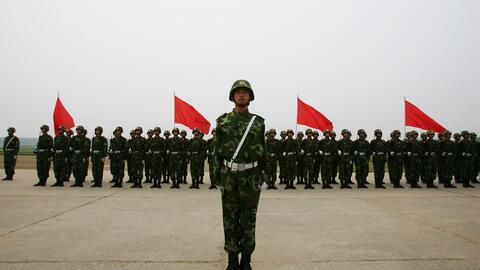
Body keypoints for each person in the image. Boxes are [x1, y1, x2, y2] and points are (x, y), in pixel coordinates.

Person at [214, 79, 266, 270]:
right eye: (238, 92)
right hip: (229, 176)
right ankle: (232, 259)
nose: (241, 94)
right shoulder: (222, 121)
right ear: (232, 97)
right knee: (230, 218)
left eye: (245, 92)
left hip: (251, 177)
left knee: (249, 219)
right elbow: (216, 151)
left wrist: (264, 175)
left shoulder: (258, 123)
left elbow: (263, 151)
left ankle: (246, 260)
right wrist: (216, 177)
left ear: (250, 97)